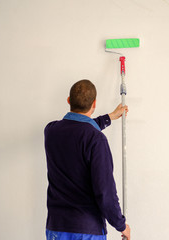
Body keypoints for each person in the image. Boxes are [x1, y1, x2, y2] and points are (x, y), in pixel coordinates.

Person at [44, 79, 131, 240]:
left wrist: (109, 117)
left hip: (56, 227)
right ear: (94, 103)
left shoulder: (50, 131)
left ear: (69, 100)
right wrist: (121, 225)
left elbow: (77, 129)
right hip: (87, 230)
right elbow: (105, 192)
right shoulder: (96, 140)